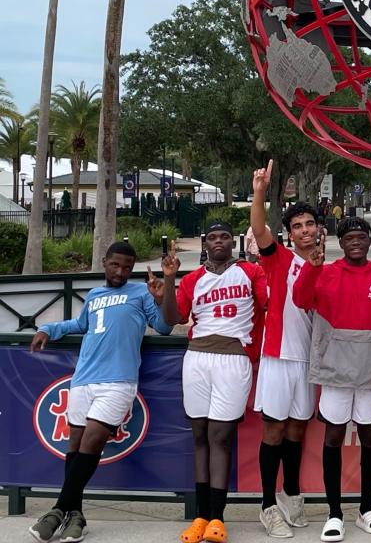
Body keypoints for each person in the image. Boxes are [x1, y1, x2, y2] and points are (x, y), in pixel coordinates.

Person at [28, 242, 174, 543]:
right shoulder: (94, 295)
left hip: (118, 382)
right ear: (105, 262)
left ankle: (57, 509)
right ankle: (76, 516)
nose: (121, 271)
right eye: (115, 265)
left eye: (127, 267)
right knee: (76, 442)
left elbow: (163, 328)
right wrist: (47, 329)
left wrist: (162, 296)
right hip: (83, 379)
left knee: (93, 440)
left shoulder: (140, 293)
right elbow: (79, 324)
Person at [292, 216, 371, 542]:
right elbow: (300, 300)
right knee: (333, 439)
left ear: (370, 240)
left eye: (361, 236)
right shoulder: (325, 273)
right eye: (349, 238)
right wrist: (312, 268)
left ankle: (366, 508)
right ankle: (334, 513)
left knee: (370, 439)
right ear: (341, 243)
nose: (355, 242)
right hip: (335, 374)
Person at [160, 223, 268, 543]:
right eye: (212, 238)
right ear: (205, 244)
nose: (218, 242)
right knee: (200, 436)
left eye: (224, 237)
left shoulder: (250, 272)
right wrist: (168, 279)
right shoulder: (193, 279)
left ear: (232, 242)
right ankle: (200, 516)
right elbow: (173, 319)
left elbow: (269, 305)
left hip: (234, 359)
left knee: (220, 436)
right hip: (197, 358)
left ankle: (218, 517)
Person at [249, 160, 322, 538]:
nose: (305, 230)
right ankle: (266, 506)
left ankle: (291, 495)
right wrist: (261, 190)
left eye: (310, 224)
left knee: (296, 432)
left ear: (318, 229)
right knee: (274, 431)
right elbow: (258, 228)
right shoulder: (280, 259)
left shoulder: (327, 266)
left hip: (309, 362)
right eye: (298, 226)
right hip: (278, 356)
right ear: (290, 234)